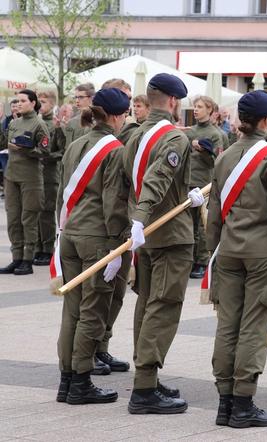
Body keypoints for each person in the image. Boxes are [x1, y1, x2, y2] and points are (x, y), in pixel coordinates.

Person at [207, 90, 267, 428]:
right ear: (265, 121)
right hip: (262, 255)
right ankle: (243, 404)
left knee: (227, 325)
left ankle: (224, 402)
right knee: (253, 327)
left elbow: (213, 215)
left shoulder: (224, 156)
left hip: (228, 251)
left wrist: (212, 253)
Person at [124, 73, 201, 414]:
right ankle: (144, 388)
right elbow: (157, 180)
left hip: (147, 235)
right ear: (173, 102)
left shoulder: (135, 135)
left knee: (146, 304)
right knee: (163, 305)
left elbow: (135, 183)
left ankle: (147, 376)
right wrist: (141, 216)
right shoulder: (174, 138)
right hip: (168, 234)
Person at [55, 87, 130, 405]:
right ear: (114, 116)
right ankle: (82, 380)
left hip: (70, 233)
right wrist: (118, 244)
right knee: (93, 312)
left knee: (71, 311)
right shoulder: (114, 149)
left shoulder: (77, 143)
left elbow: (63, 189)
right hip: (97, 238)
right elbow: (114, 201)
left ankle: (67, 381)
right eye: (125, 114)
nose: (126, 120)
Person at [92, 80, 135, 375]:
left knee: (114, 295)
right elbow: (111, 196)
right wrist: (114, 241)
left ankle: (100, 347)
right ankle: (87, 354)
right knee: (96, 299)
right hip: (103, 231)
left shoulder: (120, 138)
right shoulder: (108, 145)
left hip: (104, 230)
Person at [0, 89, 49, 276]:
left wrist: (25, 149)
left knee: (28, 219)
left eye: (22, 100)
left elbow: (45, 151)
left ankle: (27, 259)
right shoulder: (14, 122)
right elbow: (3, 143)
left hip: (31, 178)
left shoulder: (39, 124)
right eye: (17, 101)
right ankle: (16, 258)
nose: (18, 103)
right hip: (11, 176)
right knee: (13, 219)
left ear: (33, 103)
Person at [188, 96, 226, 279]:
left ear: (210, 110)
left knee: (203, 224)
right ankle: (190, 258)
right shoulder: (190, 131)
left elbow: (216, 162)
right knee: (189, 224)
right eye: (195, 106)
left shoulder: (215, 134)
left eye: (200, 107)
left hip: (205, 183)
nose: (196, 109)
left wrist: (203, 151)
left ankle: (202, 261)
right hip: (188, 182)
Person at [34, 90, 61, 266]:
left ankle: (47, 248)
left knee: (46, 213)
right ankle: (37, 247)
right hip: (35, 173)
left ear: (52, 104)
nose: (40, 105)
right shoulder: (35, 122)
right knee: (35, 212)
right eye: (38, 102)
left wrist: (47, 155)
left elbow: (62, 150)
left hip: (50, 173)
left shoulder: (55, 125)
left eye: (43, 102)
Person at [64, 83, 95, 150]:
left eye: (81, 97)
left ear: (91, 98)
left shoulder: (99, 121)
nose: (77, 101)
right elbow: (67, 148)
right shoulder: (72, 121)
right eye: (76, 97)